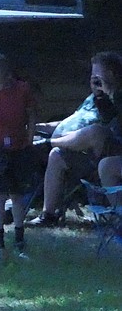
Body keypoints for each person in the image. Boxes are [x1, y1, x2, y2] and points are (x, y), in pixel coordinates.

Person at [30, 51, 121, 225]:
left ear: (112, 75)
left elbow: (107, 125)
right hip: (79, 151)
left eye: (98, 77)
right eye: (92, 77)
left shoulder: (116, 98)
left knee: (95, 130)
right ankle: (48, 215)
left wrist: (110, 92)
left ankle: (47, 144)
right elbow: (71, 119)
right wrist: (38, 127)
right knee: (56, 155)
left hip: (104, 154)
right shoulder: (93, 98)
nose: (94, 82)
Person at [0, 52, 38, 260]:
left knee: (17, 196)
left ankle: (20, 239)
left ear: (8, 76)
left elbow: (31, 115)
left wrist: (29, 138)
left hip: (19, 150)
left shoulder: (22, 90)